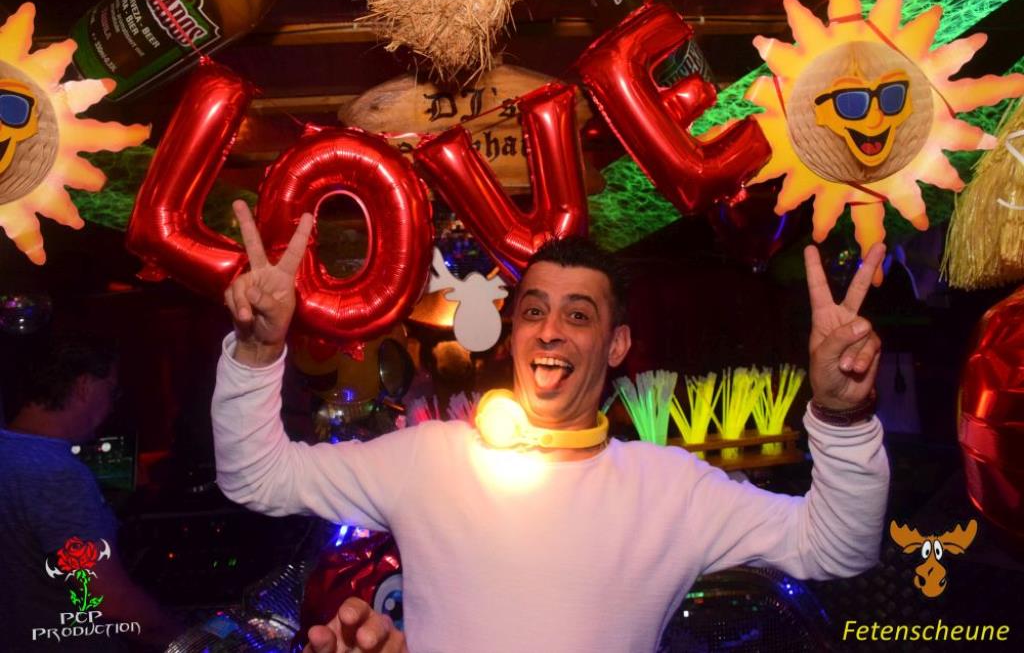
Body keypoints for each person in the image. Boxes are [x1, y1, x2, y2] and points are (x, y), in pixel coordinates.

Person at [213, 201, 889, 653]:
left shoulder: (669, 489)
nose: (550, 330)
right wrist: (258, 348)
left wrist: (843, 415)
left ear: (617, 345)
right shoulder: (429, 459)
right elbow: (257, 477)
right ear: (513, 334)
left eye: (579, 315)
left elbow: (836, 546)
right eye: (534, 311)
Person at [0, 336, 184, 652]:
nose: (112, 406)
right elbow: (113, 603)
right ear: (85, 386)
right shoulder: (58, 473)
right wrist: (192, 640)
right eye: (111, 391)